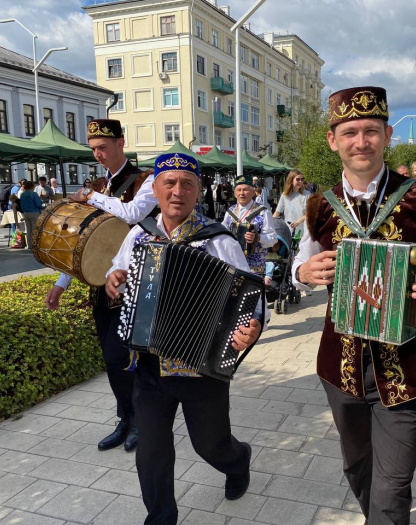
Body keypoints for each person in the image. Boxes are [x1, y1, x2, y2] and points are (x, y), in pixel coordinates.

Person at [292, 86, 416, 524]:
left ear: (387, 135)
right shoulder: (319, 205)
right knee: (357, 468)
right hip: (340, 365)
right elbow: (300, 262)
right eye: (349, 132)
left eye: (371, 131)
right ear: (334, 140)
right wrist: (303, 273)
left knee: (392, 489)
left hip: (405, 365)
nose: (361, 141)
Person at [105, 152, 264, 524]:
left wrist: (250, 328)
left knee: (210, 446)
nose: (178, 192)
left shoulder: (219, 240)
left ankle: (238, 461)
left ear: (198, 191)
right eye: (169, 183)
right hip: (147, 366)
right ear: (156, 189)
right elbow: (117, 267)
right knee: (151, 453)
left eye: (187, 184)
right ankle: (161, 518)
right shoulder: (139, 233)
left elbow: (250, 299)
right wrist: (114, 279)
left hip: (201, 367)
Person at [45, 119, 157, 453]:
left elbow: (133, 212)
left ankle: (141, 419)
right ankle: (125, 418)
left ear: (121, 143)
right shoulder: (96, 184)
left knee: (127, 355)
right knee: (111, 359)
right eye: (93, 149)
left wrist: (91, 196)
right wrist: (61, 282)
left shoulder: (144, 181)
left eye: (103, 148)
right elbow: (80, 242)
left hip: (135, 281)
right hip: (100, 284)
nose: (97, 155)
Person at [223, 174, 277, 275]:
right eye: (238, 190)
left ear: (253, 192)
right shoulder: (230, 212)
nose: (242, 193)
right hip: (233, 265)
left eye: (245, 190)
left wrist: (258, 237)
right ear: (235, 193)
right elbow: (222, 234)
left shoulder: (263, 212)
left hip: (254, 268)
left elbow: (273, 239)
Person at [273, 170, 309, 236]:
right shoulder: (284, 195)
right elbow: (277, 212)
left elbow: (309, 213)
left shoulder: (307, 194)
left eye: (302, 179)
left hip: (303, 231)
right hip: (288, 230)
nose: (300, 181)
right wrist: (271, 224)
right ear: (291, 180)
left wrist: (298, 222)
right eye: (298, 179)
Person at [18, 180, 46, 249]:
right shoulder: (33, 194)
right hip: (34, 212)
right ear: (32, 187)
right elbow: (38, 204)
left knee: (28, 229)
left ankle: (29, 245)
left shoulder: (22, 194)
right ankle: (35, 245)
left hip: (25, 213)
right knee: (35, 229)